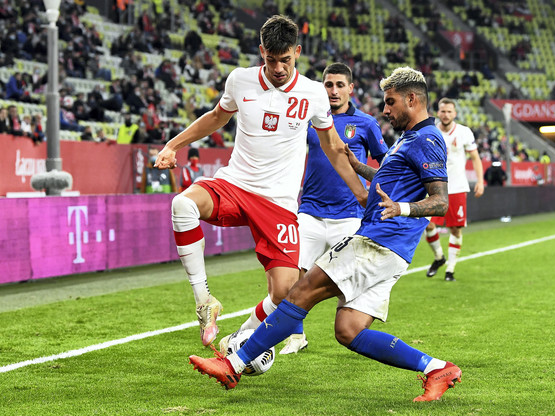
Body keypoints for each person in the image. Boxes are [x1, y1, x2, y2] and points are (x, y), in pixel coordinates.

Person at [189, 66, 462, 403]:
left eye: (390, 102)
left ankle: (233, 364)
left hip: (379, 242)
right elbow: (390, 179)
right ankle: (437, 368)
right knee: (349, 331)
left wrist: (401, 209)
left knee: (299, 293)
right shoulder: (410, 138)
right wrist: (357, 165)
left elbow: (440, 201)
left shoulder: (428, 138)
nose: (386, 110)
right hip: (392, 249)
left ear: (411, 99)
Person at [154, 15, 367, 347]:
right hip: (235, 184)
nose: (279, 67)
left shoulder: (313, 93)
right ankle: (204, 301)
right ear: (261, 52)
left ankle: (237, 340)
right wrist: (172, 145)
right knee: (182, 204)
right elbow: (215, 118)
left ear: (297, 52)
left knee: (284, 294)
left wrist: (362, 194)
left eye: (285, 59)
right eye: (271, 59)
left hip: (278, 203)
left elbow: (332, 147)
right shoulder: (240, 80)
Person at [276, 62, 389, 355]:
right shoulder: (309, 120)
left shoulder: (365, 123)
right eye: (329, 85)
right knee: (292, 275)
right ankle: (296, 336)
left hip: (349, 215)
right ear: (322, 87)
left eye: (340, 85)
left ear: (351, 89)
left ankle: (352, 331)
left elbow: (386, 165)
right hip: (310, 211)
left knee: (347, 279)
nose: (334, 90)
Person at [424, 97, 484, 282]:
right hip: (434, 186)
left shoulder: (464, 132)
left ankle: (450, 269)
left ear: (455, 113)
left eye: (449, 111)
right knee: (427, 224)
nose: (446, 114)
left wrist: (480, 181)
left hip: (457, 187)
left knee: (455, 229)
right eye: (443, 111)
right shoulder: (430, 130)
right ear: (438, 112)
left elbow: (475, 157)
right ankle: (439, 257)